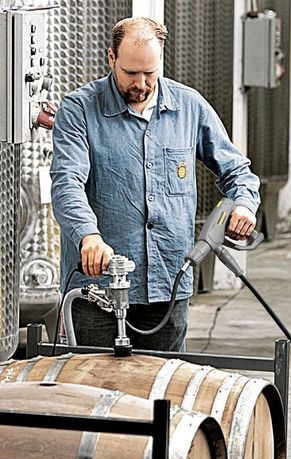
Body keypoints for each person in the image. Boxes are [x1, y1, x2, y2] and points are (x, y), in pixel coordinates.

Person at [50, 17, 260, 352]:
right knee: (94, 391)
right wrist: (88, 235)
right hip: (97, 288)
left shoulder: (189, 107)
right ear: (111, 59)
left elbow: (237, 170)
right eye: (131, 73)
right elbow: (67, 182)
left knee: (161, 392)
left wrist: (245, 204)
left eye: (150, 72)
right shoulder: (79, 109)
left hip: (168, 283)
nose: (142, 84)